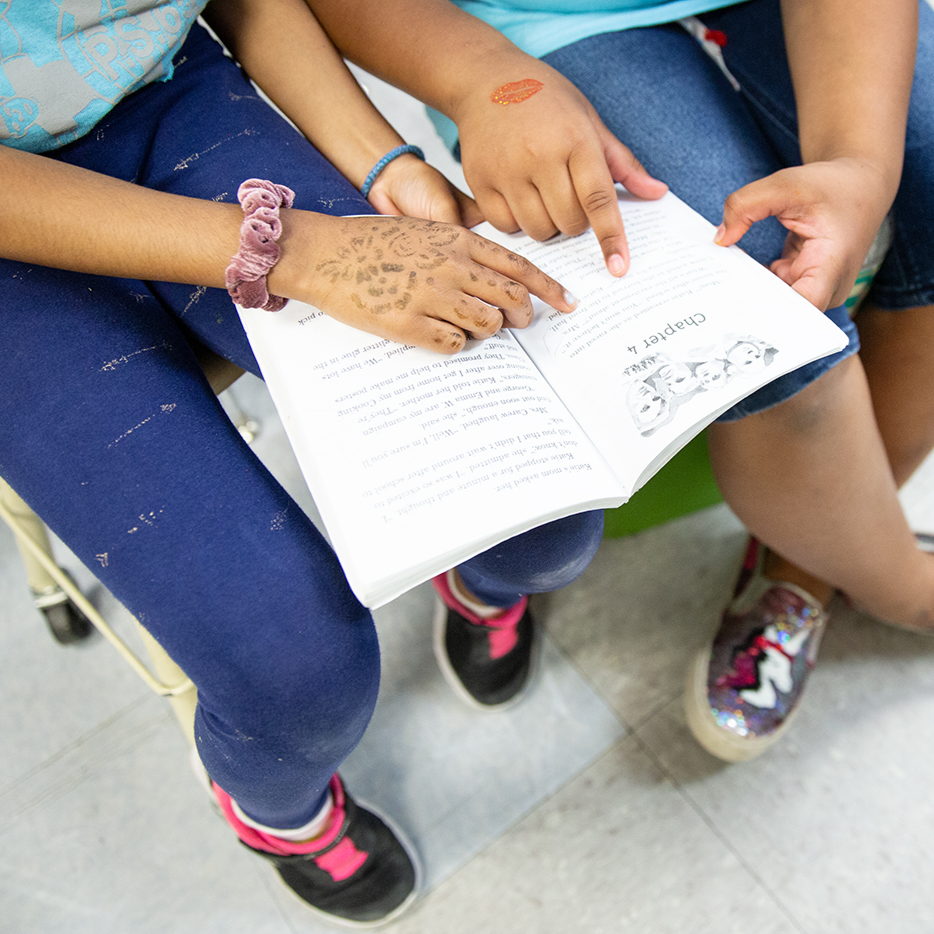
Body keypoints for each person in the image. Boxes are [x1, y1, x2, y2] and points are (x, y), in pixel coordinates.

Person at [0, 0, 606, 925]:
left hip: (165, 93)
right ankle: (282, 816)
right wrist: (293, 249)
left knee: (542, 511)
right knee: (296, 675)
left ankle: (482, 584)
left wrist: (385, 162)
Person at [309, 0, 934, 760]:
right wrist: (484, 81)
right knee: (748, 297)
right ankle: (891, 584)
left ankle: (811, 565)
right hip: (525, 26)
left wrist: (860, 167)